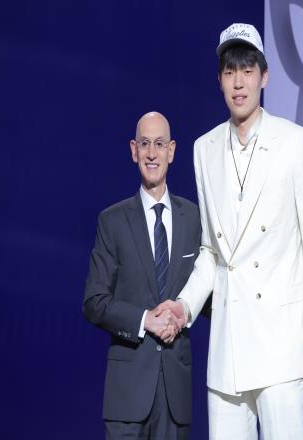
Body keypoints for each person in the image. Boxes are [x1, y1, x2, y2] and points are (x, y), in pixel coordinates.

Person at [158, 23, 303, 439]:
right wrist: (184, 306)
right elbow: (212, 251)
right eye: (230, 71)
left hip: (281, 344)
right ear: (220, 80)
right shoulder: (204, 149)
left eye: (248, 70)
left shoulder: (293, 142)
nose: (239, 82)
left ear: (264, 77)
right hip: (229, 348)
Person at [83, 111, 200, 440]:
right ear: (134, 150)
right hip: (127, 396)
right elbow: (94, 302)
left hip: (175, 397)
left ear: (171, 151)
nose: (152, 153)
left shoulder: (193, 218)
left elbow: (207, 295)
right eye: (145, 144)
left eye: (159, 144)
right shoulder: (112, 221)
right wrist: (145, 320)